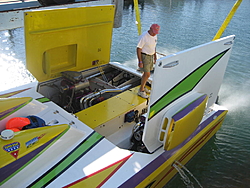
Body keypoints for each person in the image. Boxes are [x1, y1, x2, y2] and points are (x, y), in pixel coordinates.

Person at [136, 24, 160, 98]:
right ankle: (141, 91)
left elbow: (154, 46)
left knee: (146, 74)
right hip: (145, 56)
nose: (155, 33)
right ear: (150, 29)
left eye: (156, 32)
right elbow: (138, 49)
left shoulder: (155, 35)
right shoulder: (144, 36)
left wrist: (155, 56)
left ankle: (143, 87)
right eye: (154, 31)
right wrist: (140, 61)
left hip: (151, 56)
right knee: (147, 74)